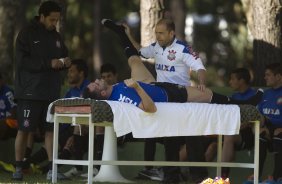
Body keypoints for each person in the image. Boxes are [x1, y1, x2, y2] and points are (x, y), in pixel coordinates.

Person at [105, 18, 208, 183]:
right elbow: (139, 51)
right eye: (156, 33)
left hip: (183, 96)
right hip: (163, 98)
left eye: (161, 33)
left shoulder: (184, 48)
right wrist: (128, 35)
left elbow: (200, 68)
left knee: (192, 136)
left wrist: (202, 84)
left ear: (171, 33)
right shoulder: (156, 47)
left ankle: (199, 177)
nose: (158, 36)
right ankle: (171, 177)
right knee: (170, 139)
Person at [13, 1, 71, 181]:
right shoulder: (26, 33)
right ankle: (18, 167)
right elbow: (22, 62)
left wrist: (65, 62)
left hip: (51, 93)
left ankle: (52, 169)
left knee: (50, 131)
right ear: (42, 16)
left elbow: (63, 55)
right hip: (30, 92)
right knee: (24, 129)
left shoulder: (56, 36)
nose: (54, 23)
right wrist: (48, 63)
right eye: (52, 19)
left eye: (57, 20)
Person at [244, 63, 282, 184]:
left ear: (278, 77)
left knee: (278, 134)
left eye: (268, 75)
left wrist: (268, 123)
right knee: (261, 134)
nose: (265, 77)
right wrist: (258, 127)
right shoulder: (265, 94)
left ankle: (277, 178)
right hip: (267, 130)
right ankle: (256, 176)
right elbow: (257, 116)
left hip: (278, 132)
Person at [220, 68, 258, 179]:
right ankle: (195, 177)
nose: (230, 82)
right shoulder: (234, 97)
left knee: (228, 137)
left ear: (241, 81)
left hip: (250, 134)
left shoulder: (256, 95)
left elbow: (257, 118)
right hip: (233, 131)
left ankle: (223, 178)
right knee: (211, 144)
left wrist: (243, 125)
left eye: (232, 79)